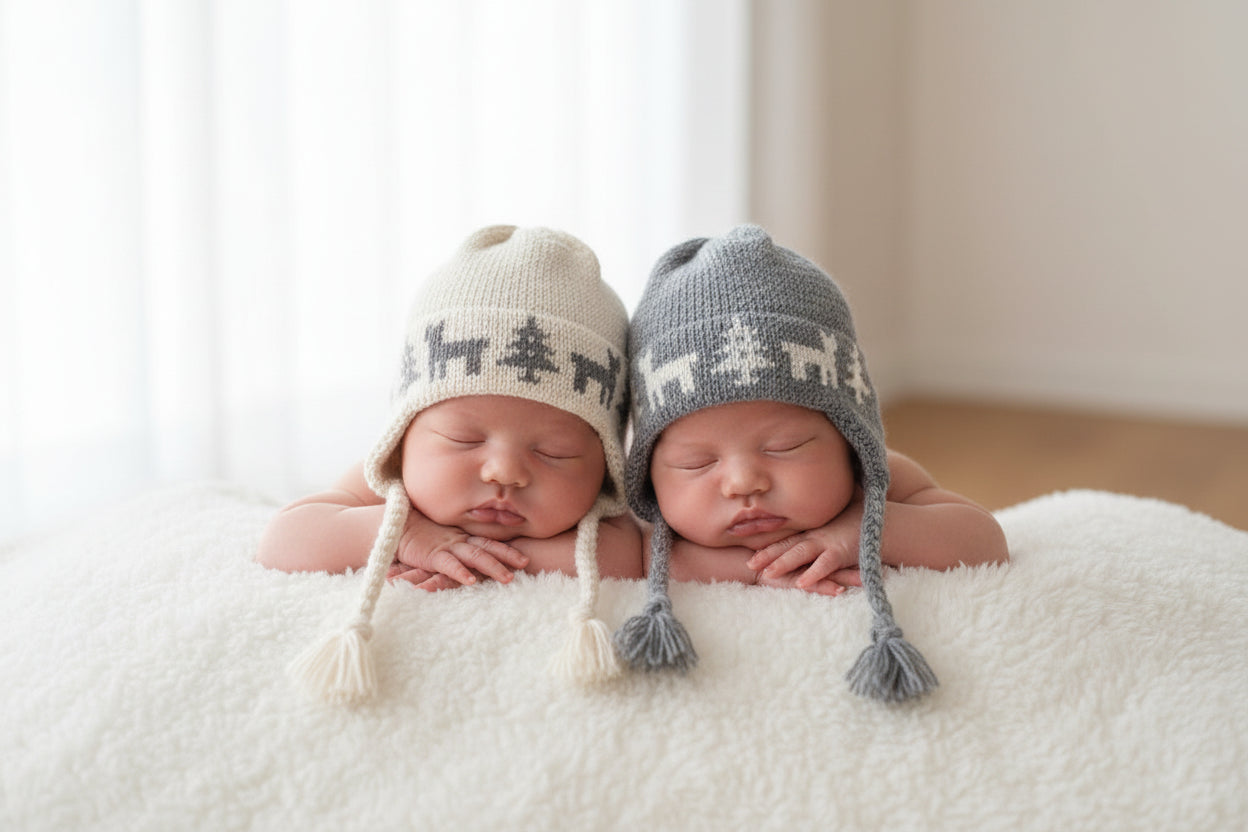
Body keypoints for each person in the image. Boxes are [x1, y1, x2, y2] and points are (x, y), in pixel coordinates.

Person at [613, 224, 1009, 704]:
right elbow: (647, 558)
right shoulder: (657, 527)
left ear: (848, 437)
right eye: (697, 462)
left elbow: (983, 539)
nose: (743, 482)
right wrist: (758, 569)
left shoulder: (878, 482)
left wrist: (865, 530)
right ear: (649, 471)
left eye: (784, 446)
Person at [261, 225, 642, 704]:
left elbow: (631, 557)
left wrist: (495, 560)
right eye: (464, 439)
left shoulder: (596, 517)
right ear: (405, 435)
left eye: (555, 452)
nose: (504, 472)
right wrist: (407, 533)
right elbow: (283, 538)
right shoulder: (388, 479)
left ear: (605, 466)